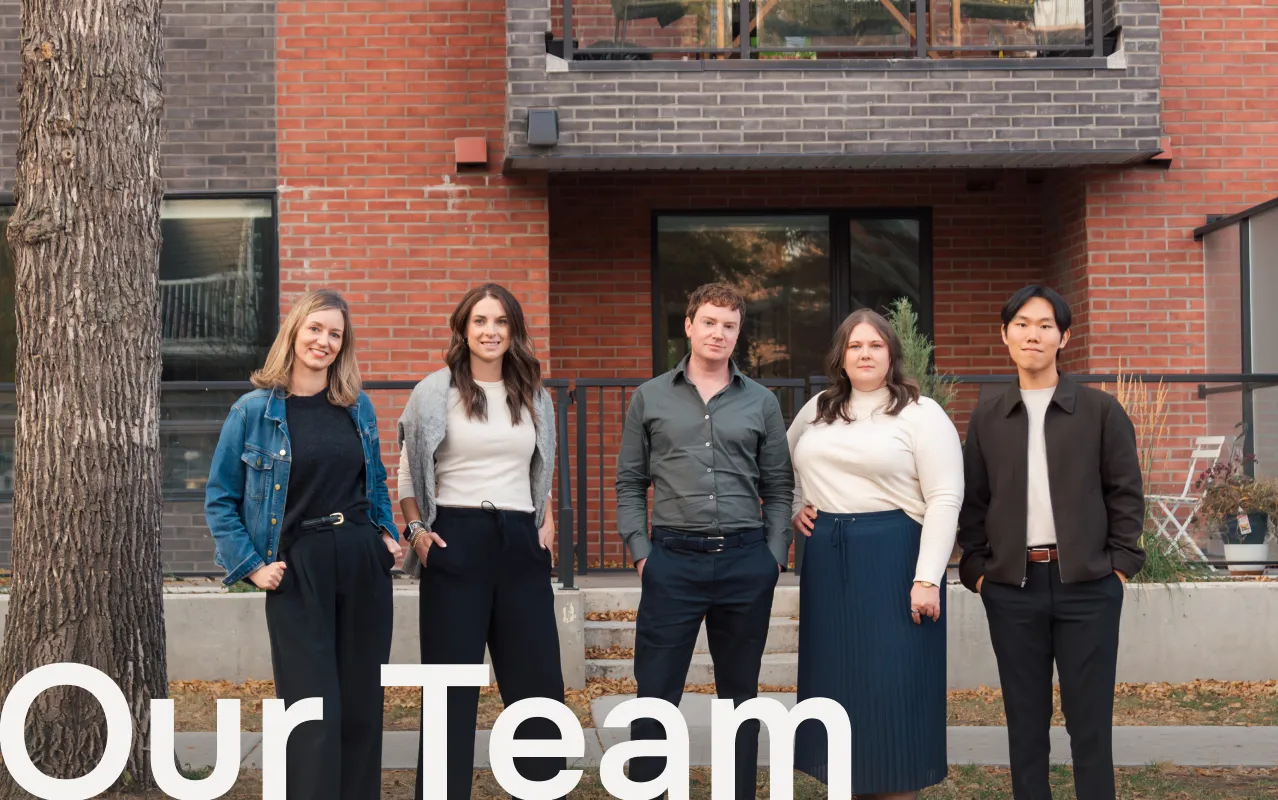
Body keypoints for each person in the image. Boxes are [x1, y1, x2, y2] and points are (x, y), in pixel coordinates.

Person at [205, 288, 403, 800]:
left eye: (335, 333)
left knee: (361, 705)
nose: (325, 341)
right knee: (311, 709)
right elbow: (220, 498)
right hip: (297, 568)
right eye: (315, 329)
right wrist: (251, 566)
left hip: (360, 559)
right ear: (294, 333)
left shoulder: (355, 407)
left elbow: (375, 481)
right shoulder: (254, 411)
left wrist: (386, 537)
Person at [958, 285, 1146, 800]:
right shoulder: (988, 416)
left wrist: (1120, 568)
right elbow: (973, 503)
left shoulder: (1099, 411)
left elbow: (1126, 495)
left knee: (1089, 726)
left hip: (1088, 585)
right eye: (1021, 324)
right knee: (1024, 724)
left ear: (1064, 336)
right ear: (1005, 335)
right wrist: (978, 573)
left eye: (1044, 325)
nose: (1032, 334)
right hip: (1012, 590)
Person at [615, 282, 794, 800]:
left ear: (739, 333)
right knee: (656, 691)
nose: (719, 333)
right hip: (671, 561)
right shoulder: (650, 397)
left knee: (740, 694)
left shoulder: (761, 402)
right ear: (689, 326)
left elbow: (778, 485)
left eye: (730, 325)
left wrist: (773, 556)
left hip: (745, 561)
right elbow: (630, 482)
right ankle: (648, 790)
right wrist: (642, 553)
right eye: (710, 322)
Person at [396, 283, 563, 800]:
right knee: (451, 690)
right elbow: (406, 477)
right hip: (455, 541)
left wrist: (548, 522)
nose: (490, 331)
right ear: (463, 330)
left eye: (501, 322)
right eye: (480, 322)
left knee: (537, 683)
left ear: (513, 331)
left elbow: (540, 470)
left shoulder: (535, 396)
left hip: (519, 541)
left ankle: (543, 789)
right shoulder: (432, 392)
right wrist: (418, 533)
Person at [786, 308, 961, 799]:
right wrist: (796, 507)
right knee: (838, 692)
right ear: (841, 356)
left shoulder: (920, 412)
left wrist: (928, 577)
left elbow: (945, 497)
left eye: (875, 345)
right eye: (855, 345)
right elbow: (780, 464)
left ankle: (898, 785)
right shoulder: (818, 408)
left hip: (896, 558)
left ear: (891, 354)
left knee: (893, 690)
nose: (865, 354)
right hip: (827, 560)